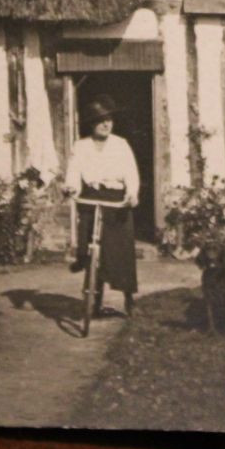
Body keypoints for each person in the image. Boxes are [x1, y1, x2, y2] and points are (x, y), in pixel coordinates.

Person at [64, 95, 139, 315]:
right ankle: (93, 301)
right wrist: (70, 187)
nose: (107, 124)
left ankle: (128, 298)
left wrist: (131, 194)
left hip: (116, 200)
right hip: (90, 197)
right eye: (100, 120)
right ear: (91, 123)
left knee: (120, 250)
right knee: (90, 248)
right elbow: (73, 172)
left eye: (109, 119)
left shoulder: (120, 145)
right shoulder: (81, 146)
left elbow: (131, 173)